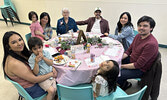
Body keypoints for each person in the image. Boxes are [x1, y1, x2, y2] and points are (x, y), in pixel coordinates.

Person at [2, 31, 57, 99]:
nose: (19, 43)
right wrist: (51, 73)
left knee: (57, 80)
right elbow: (35, 80)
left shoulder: (20, 53)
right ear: (8, 47)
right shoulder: (14, 63)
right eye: (14, 42)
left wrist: (51, 68)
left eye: (20, 40)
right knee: (59, 83)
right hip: (31, 89)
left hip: (34, 79)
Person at [117, 16, 159, 91]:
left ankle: (124, 84)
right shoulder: (138, 36)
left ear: (151, 28)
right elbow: (128, 51)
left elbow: (138, 65)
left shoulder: (151, 44)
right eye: (139, 25)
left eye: (145, 26)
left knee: (115, 73)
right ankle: (122, 80)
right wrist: (118, 59)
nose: (141, 28)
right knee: (113, 62)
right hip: (133, 60)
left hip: (140, 69)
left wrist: (121, 66)